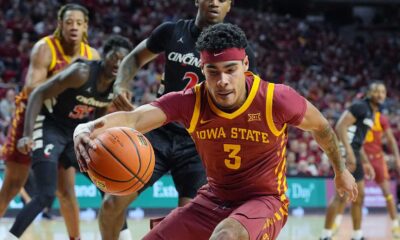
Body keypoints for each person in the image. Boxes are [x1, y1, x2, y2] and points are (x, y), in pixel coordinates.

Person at [74, 23, 357, 240]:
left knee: (226, 235)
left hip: (265, 200)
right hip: (214, 198)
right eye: (213, 71)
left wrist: (340, 169)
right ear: (203, 68)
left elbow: (321, 128)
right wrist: (84, 128)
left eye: (230, 69)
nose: (222, 81)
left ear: (245, 65)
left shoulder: (277, 99)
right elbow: (134, 120)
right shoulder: (190, 101)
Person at [105, 0, 257, 239]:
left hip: (200, 143)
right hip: (159, 130)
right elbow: (134, 58)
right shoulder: (171, 31)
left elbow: (250, 101)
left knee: (189, 223)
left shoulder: (238, 48)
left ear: (230, 5)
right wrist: (120, 84)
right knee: (112, 204)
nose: (215, 3)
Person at [3, 35, 133, 240]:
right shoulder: (82, 72)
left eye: (122, 59)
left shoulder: (118, 85)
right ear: (104, 56)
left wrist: (100, 142)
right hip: (49, 125)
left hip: (75, 131)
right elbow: (37, 94)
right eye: (114, 56)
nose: (117, 62)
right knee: (46, 194)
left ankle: (125, 237)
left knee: (108, 182)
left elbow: (98, 113)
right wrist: (27, 135)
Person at [0, 3, 99, 240]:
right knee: (14, 183)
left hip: (62, 123)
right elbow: (32, 88)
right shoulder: (45, 48)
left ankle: (75, 238)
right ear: (60, 24)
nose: (74, 27)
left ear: (85, 26)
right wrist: (66, 82)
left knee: (66, 189)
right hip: (31, 116)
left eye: (79, 23)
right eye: (69, 22)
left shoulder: (92, 56)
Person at [320, 82, 388, 240]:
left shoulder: (371, 113)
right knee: (341, 196)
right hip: (346, 151)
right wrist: (349, 153)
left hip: (354, 151)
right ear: (369, 93)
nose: (380, 94)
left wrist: (366, 162)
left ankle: (357, 234)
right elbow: (340, 126)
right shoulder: (360, 106)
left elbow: (359, 141)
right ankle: (325, 235)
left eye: (383, 92)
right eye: (376, 91)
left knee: (359, 195)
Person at [329, 110, 400, 238]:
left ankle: (395, 226)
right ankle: (336, 224)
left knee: (387, 193)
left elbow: (390, 139)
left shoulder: (380, 118)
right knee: (346, 193)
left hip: (377, 159)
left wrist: (396, 157)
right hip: (360, 158)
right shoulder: (355, 118)